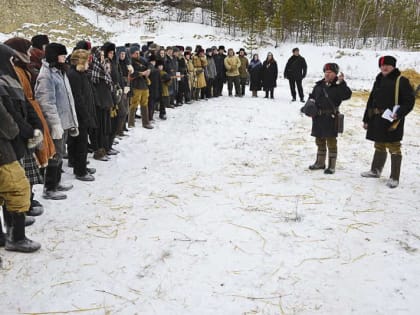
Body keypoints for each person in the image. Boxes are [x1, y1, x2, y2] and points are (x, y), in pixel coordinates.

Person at [0, 43, 41, 252]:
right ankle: (17, 238)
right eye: (9, 60)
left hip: (8, 144)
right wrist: (17, 132)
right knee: (17, 189)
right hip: (4, 148)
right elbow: (5, 118)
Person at [361, 56, 415, 188]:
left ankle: (394, 178)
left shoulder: (401, 81)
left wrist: (399, 113)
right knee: (379, 145)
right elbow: (371, 100)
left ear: (393, 66)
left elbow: (409, 101)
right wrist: (366, 118)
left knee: (394, 147)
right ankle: (375, 171)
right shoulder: (378, 80)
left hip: (392, 120)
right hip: (377, 118)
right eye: (382, 65)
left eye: (387, 65)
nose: (384, 68)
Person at [35, 43, 78, 199]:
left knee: (60, 153)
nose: (64, 58)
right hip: (56, 122)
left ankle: (57, 182)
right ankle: (49, 188)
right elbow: (46, 103)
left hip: (64, 120)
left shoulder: (60, 71)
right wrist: (55, 124)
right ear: (54, 56)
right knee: (55, 155)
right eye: (62, 55)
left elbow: (68, 98)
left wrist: (72, 121)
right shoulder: (46, 75)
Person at [307, 63, 352, 174]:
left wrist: (342, 83)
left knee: (331, 142)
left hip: (331, 118)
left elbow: (347, 95)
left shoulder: (338, 87)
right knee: (319, 141)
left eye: (330, 72)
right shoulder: (319, 85)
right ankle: (320, 163)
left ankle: (332, 166)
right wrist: (309, 106)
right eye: (326, 72)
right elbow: (312, 97)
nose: (327, 74)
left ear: (335, 74)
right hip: (318, 117)